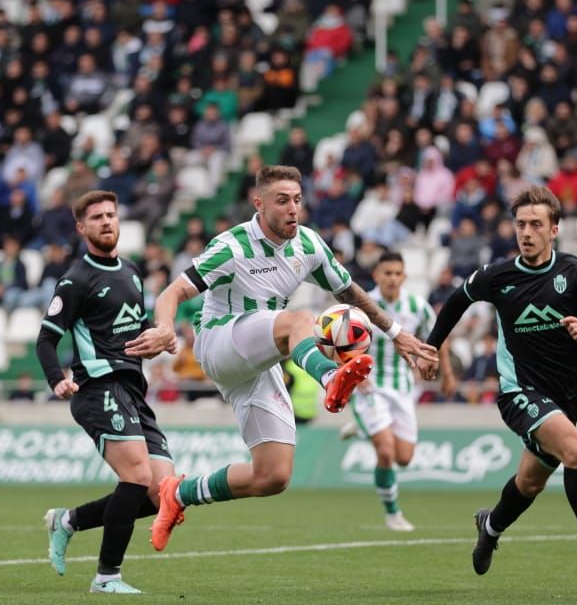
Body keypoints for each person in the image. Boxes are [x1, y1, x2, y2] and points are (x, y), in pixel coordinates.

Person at [128, 165, 437, 553]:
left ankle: (179, 494)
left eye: (297, 199)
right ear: (258, 204)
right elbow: (172, 292)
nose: (293, 208)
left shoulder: (308, 245)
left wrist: (396, 333)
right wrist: (165, 326)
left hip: (261, 354)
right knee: (301, 320)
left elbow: (349, 291)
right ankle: (329, 378)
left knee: (273, 475)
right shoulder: (233, 245)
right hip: (220, 340)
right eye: (282, 200)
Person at [418, 186, 577, 587]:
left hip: (565, 397)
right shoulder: (497, 276)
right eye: (520, 224)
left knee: (529, 483)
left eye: (536, 224)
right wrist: (431, 348)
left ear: (554, 229)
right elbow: (455, 301)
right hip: (520, 392)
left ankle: (491, 527)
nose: (526, 232)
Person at [38, 191, 180, 595]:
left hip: (133, 390)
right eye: (97, 217)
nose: (106, 222)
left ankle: (68, 521)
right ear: (82, 228)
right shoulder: (76, 279)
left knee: (159, 494)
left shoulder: (132, 272)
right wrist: (56, 380)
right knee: (135, 475)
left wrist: (161, 338)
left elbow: (135, 329)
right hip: (97, 387)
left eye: (111, 215)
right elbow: (45, 341)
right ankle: (106, 577)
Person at [339, 251, 456, 531]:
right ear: (377, 275)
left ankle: (360, 426)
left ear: (404, 276)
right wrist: (352, 373)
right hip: (369, 387)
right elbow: (337, 343)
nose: (392, 278)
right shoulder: (361, 305)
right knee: (387, 453)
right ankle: (393, 513)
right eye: (386, 273)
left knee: (405, 458)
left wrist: (447, 374)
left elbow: (438, 338)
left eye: (397, 273)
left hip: (402, 388)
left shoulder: (417, 306)